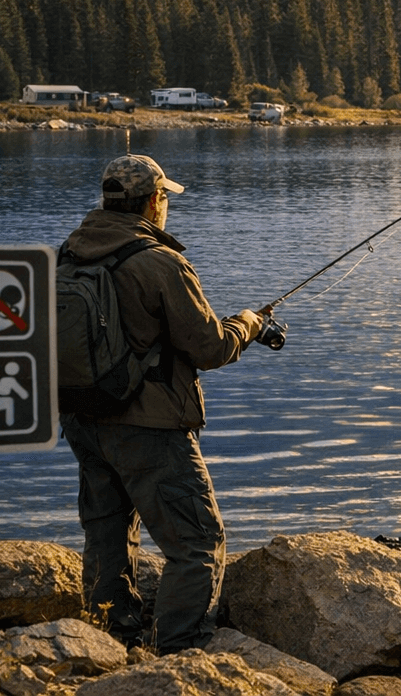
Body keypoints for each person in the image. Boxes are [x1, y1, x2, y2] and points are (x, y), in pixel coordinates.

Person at [59, 154, 266, 653]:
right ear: (154, 201)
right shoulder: (160, 262)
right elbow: (210, 348)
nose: (166, 205)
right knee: (197, 542)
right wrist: (249, 325)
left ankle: (111, 639)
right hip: (150, 426)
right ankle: (180, 649)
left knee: (108, 533)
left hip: (83, 419)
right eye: (165, 197)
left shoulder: (66, 254)